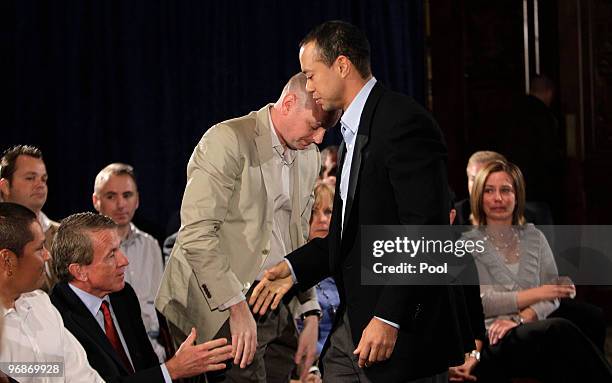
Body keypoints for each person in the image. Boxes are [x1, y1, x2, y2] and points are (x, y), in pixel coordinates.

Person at [251, 20, 467, 383]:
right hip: (352, 332)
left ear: (341, 65)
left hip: (400, 336)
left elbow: (428, 233)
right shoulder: (353, 134)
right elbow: (343, 240)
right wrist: (292, 269)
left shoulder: (403, 121)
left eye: (311, 74)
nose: (309, 86)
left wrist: (389, 318)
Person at [155, 72, 340, 383]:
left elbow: (297, 237)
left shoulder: (308, 155)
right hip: (219, 299)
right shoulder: (227, 139)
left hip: (273, 297)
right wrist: (235, 307)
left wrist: (309, 310)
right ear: (289, 102)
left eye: (325, 129)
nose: (320, 138)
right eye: (315, 125)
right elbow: (196, 235)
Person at [458, 160, 612, 382]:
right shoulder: (468, 244)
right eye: (489, 191)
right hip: (492, 335)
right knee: (558, 330)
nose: (498, 199)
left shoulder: (534, 237)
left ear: (517, 196)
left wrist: (522, 318)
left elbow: (555, 295)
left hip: (523, 325)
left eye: (506, 190)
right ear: (478, 197)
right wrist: (541, 292)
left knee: (587, 321)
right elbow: (482, 303)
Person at [50, 212, 233, 382]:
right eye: (111, 255)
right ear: (79, 271)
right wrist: (172, 370)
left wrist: (189, 367)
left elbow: (147, 365)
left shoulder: (123, 296)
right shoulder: (57, 318)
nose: (124, 261)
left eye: (119, 248)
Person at [0, 202, 104, 383]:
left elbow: (81, 375)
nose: (48, 255)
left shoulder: (41, 304)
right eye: (40, 248)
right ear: (7, 260)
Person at [92, 163, 167, 361]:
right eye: (111, 196)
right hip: (112, 355)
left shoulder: (150, 245)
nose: (121, 204)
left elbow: (161, 307)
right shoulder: (86, 249)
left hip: (154, 352)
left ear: (137, 200)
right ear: (96, 201)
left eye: (127, 195)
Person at [0, 145, 60, 290]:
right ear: (5, 186)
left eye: (43, 179)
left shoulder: (62, 233)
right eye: (30, 178)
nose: (40, 185)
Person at [454, 150, 553, 226]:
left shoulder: (537, 217)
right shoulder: (452, 216)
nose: (478, 187)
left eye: (505, 190)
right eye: (474, 179)